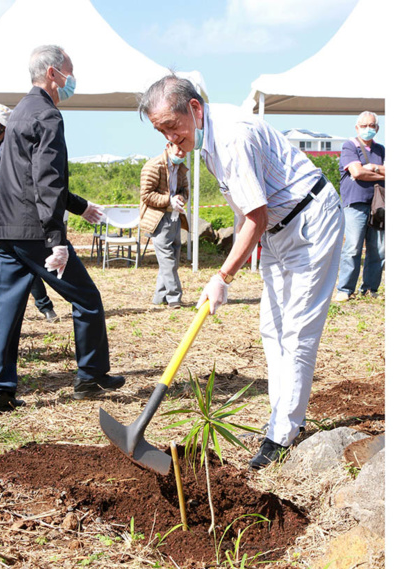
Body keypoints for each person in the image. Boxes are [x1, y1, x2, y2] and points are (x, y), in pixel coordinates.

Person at [139, 75, 344, 469]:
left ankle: (281, 435)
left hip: (310, 223)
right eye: (160, 131)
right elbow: (251, 211)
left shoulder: (232, 137)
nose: (168, 138)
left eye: (172, 126)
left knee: (297, 331)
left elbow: (255, 215)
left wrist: (223, 276)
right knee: (272, 326)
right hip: (277, 231)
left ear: (195, 109)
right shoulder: (207, 142)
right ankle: (283, 417)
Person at [0, 45, 125, 411]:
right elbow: (48, 179)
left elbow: (26, 178)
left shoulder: (18, 115)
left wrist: (80, 206)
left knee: (6, 309)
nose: (71, 80)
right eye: (69, 72)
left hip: (7, 228)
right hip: (37, 232)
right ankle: (90, 377)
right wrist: (57, 239)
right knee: (87, 299)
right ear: (52, 74)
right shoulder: (48, 116)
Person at [0, 103, 59, 322]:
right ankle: (7, 303)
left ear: (4, 125)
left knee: (25, 262)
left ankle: (44, 305)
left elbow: (24, 177)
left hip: (13, 214)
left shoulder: (15, 147)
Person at [334, 111, 386, 302]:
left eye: (371, 126)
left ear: (377, 128)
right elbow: (356, 172)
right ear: (357, 128)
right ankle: (345, 289)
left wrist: (370, 168)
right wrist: (379, 171)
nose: (367, 129)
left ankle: (370, 288)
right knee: (353, 247)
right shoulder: (349, 146)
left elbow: (364, 171)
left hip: (379, 205)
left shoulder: (382, 149)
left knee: (379, 249)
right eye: (363, 126)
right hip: (355, 203)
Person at [139, 142, 189, 308]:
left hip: (175, 216)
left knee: (172, 258)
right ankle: (175, 297)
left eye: (185, 150)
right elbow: (146, 195)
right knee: (167, 259)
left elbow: (185, 191)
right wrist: (169, 200)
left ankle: (159, 297)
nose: (182, 153)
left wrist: (181, 198)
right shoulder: (153, 165)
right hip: (159, 218)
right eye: (179, 149)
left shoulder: (181, 168)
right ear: (168, 146)